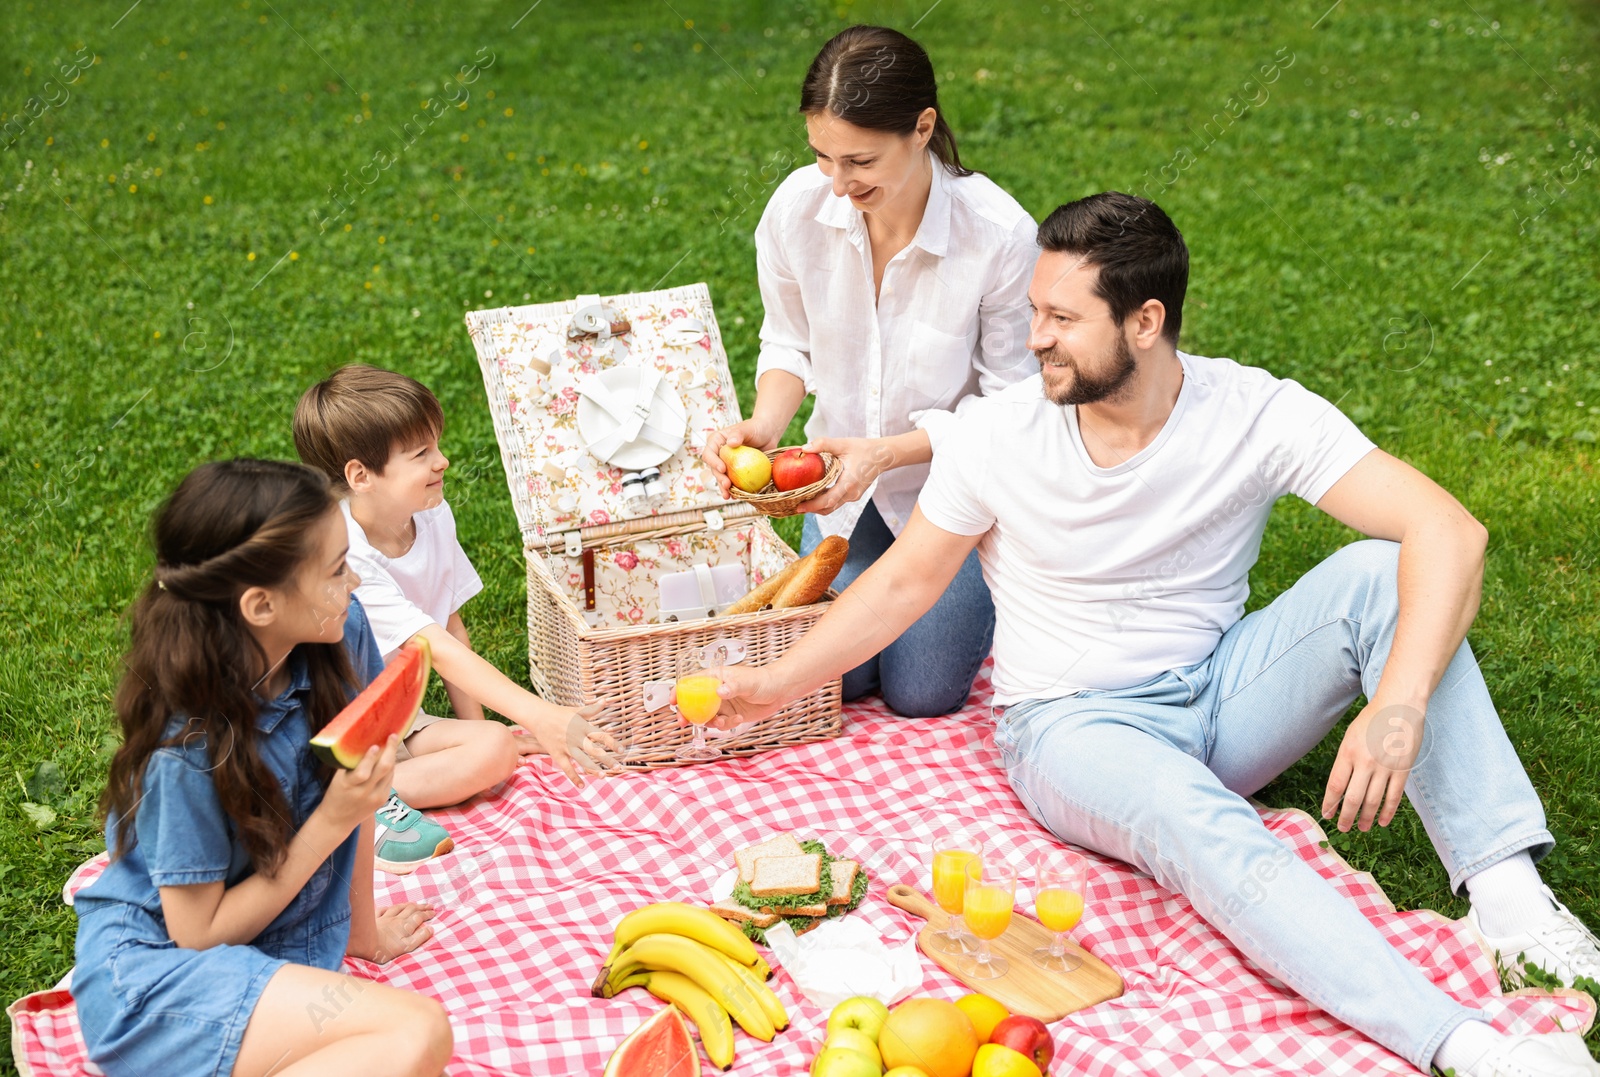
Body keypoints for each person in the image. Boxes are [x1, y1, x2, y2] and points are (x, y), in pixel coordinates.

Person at [711, 193, 1600, 1076]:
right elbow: (902, 583)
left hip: (1220, 691)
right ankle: (1461, 1040)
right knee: (1203, 826)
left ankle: (1508, 897)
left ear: (1146, 320)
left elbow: (1452, 531)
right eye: (1033, 312)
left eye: (1062, 317)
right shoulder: (1000, 433)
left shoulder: (1252, 411)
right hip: (1072, 727)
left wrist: (1399, 702)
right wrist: (778, 680)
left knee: (1381, 574)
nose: (1034, 339)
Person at [73, 459, 451, 1077]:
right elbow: (196, 934)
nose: (354, 580)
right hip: (162, 978)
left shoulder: (339, 631)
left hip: (267, 948)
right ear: (261, 604)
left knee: (413, 1042)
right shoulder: (188, 749)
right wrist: (331, 820)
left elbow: (355, 792)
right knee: (417, 1034)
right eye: (335, 569)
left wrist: (361, 934)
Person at [702, 25, 1039, 717]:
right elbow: (787, 343)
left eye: (859, 160)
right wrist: (765, 423)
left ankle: (1009, 584)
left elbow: (1014, 407)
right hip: (839, 494)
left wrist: (885, 453)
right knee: (838, 682)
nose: (838, 181)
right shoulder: (798, 209)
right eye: (822, 156)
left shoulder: (999, 236)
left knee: (923, 692)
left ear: (922, 128)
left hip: (955, 496)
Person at [294, 365, 619, 873]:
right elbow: (433, 648)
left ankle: (364, 794)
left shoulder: (431, 514)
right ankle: (330, 800)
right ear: (361, 476)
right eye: (421, 454)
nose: (442, 461)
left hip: (393, 726)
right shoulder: (342, 553)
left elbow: (449, 626)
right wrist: (539, 713)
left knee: (496, 749)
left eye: (436, 446)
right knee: (499, 743)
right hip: (322, 734)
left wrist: (482, 734)